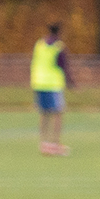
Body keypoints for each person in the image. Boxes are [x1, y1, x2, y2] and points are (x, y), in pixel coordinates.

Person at [31, 23, 71, 156]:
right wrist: (70, 82)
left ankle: (44, 144)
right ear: (59, 32)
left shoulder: (39, 44)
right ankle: (55, 144)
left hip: (39, 82)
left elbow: (35, 61)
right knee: (58, 113)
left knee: (44, 113)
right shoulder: (58, 47)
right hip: (53, 84)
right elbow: (63, 65)